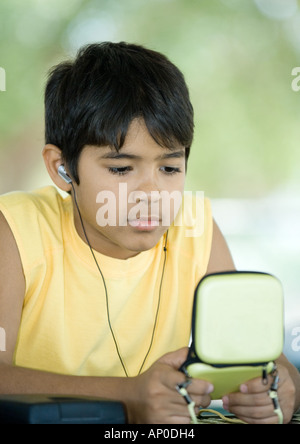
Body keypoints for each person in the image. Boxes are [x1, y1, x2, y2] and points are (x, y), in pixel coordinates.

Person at [0, 42, 298, 424]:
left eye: (170, 169)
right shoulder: (16, 232)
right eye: (122, 170)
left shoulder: (195, 230)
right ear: (62, 169)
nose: (151, 195)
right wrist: (128, 395)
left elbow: (272, 364)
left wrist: (278, 390)